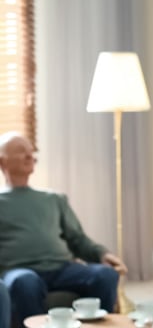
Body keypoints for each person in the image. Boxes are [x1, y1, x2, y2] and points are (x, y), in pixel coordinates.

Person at [0, 132, 126, 328]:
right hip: (19, 270)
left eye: (31, 151)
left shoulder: (53, 199)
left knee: (105, 275)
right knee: (24, 282)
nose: (29, 155)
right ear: (3, 161)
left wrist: (103, 254)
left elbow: (77, 239)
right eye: (21, 151)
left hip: (61, 268)